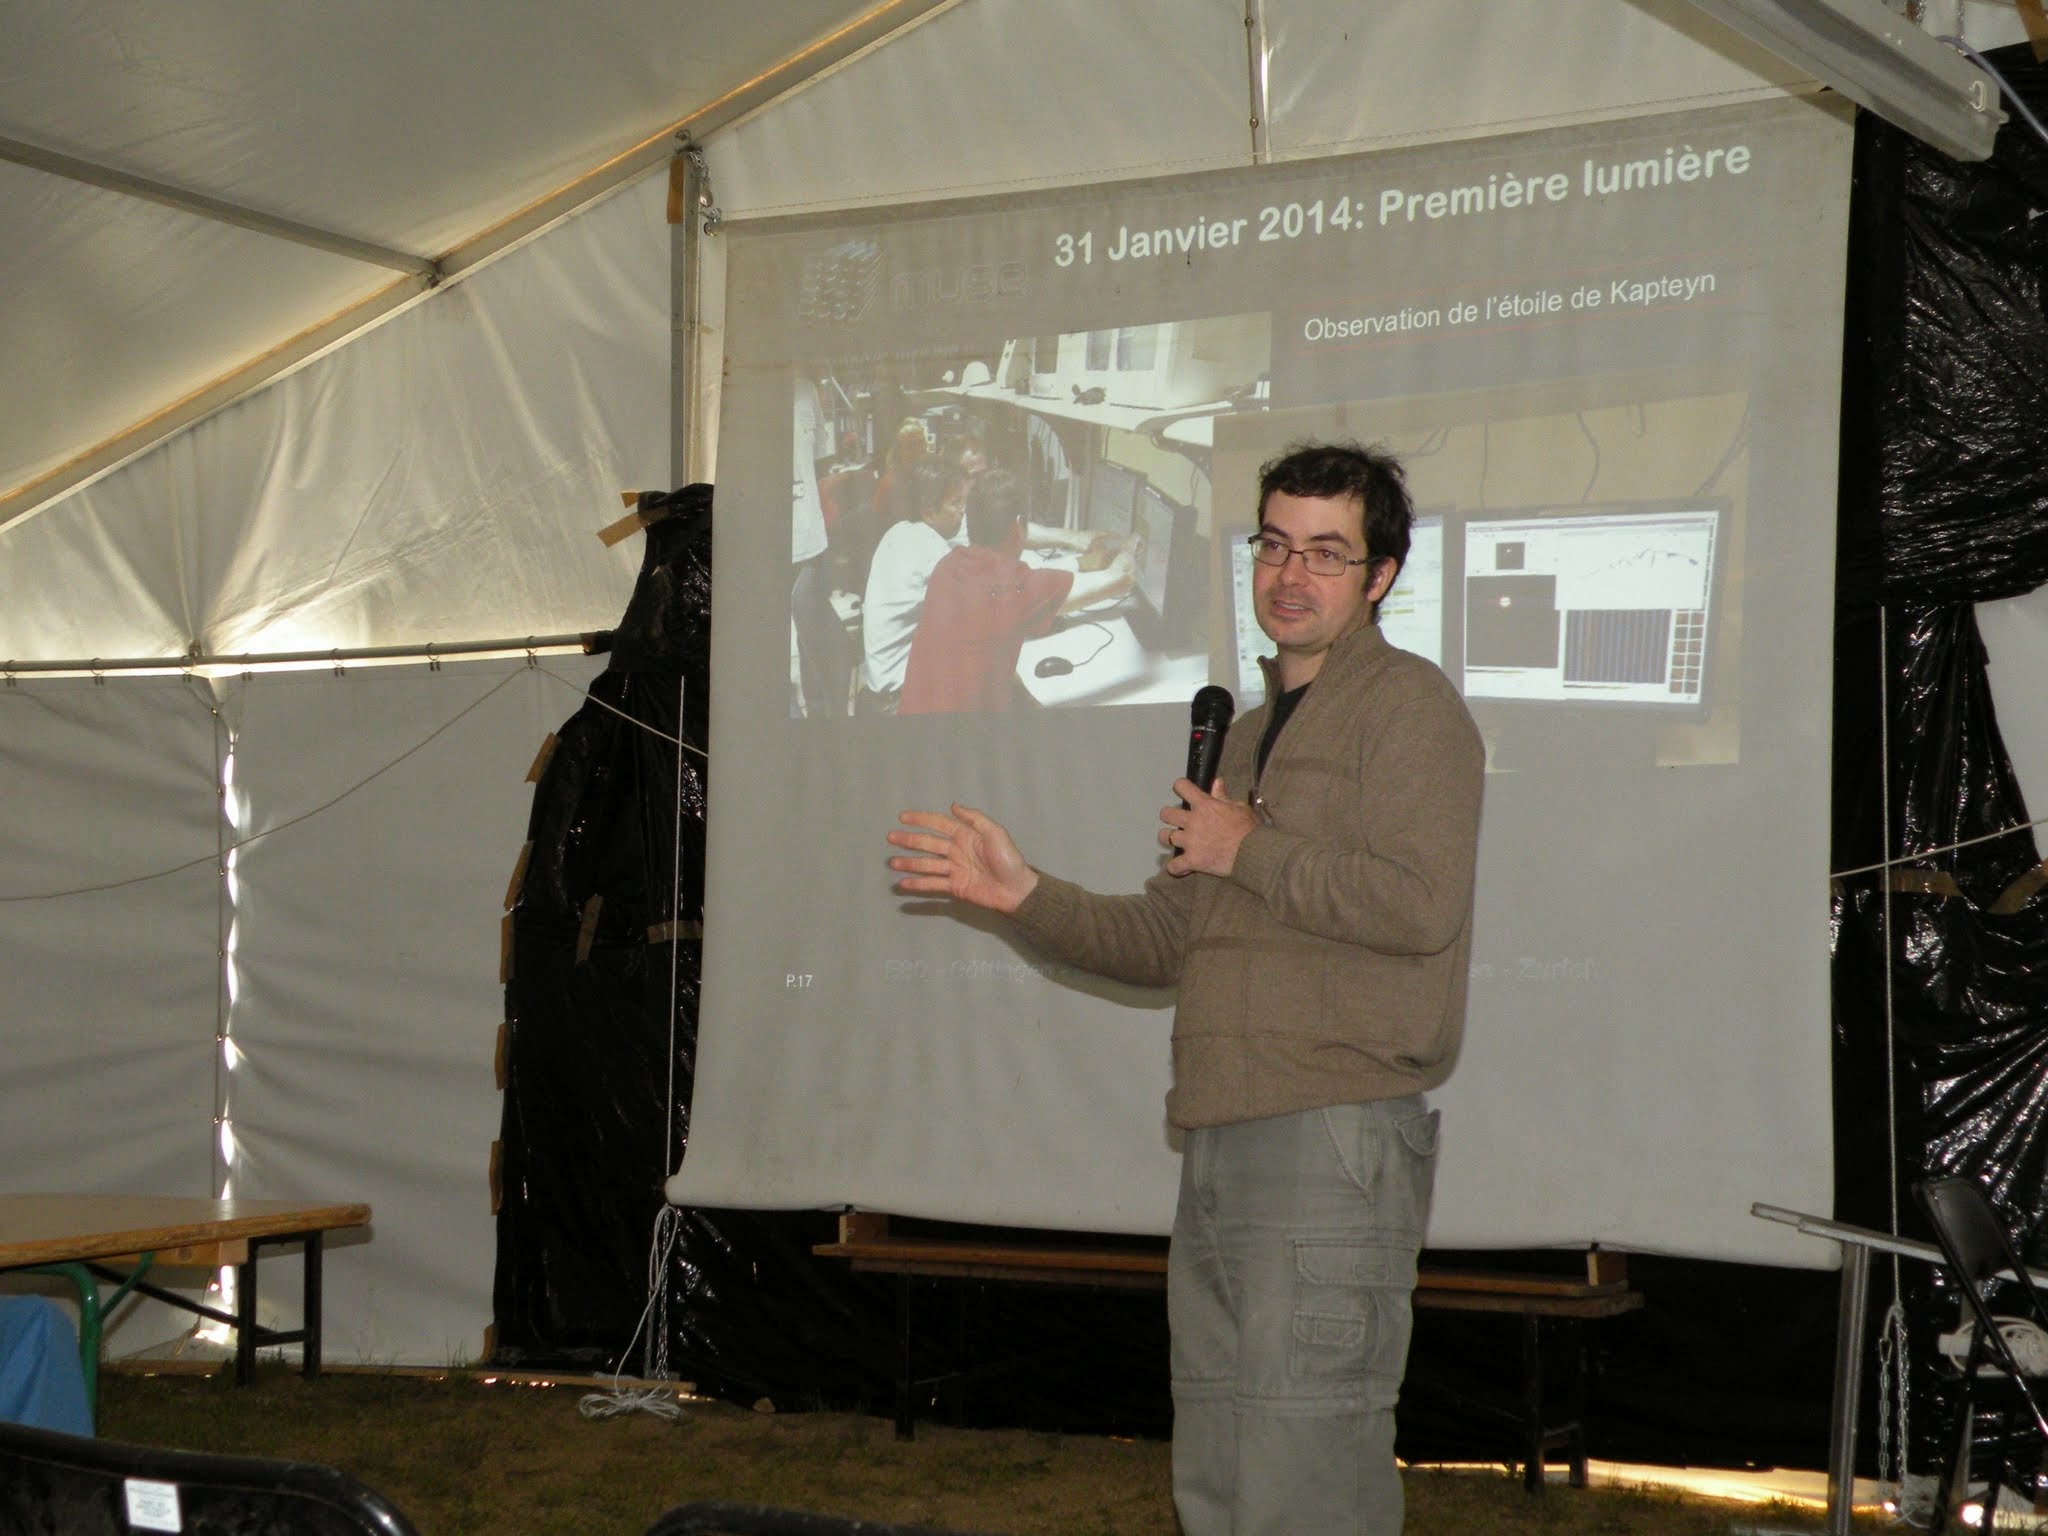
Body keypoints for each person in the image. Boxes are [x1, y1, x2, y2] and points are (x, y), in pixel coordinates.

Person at [886, 441, 1484, 1535]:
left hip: (1331, 1132)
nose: (1289, 575)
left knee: (1304, 1465)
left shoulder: (1411, 708)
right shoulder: (1246, 738)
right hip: (1217, 1135)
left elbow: (1419, 906)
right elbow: (1168, 941)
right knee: (1218, 1465)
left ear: (1381, 576)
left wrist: (1247, 845)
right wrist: (1024, 895)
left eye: (1326, 553)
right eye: (1273, 546)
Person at [899, 469, 1136, 714]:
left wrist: (1029, 703)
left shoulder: (948, 566)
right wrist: (1132, 542)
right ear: (1020, 525)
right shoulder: (1015, 585)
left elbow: (987, 656)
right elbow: (1122, 577)